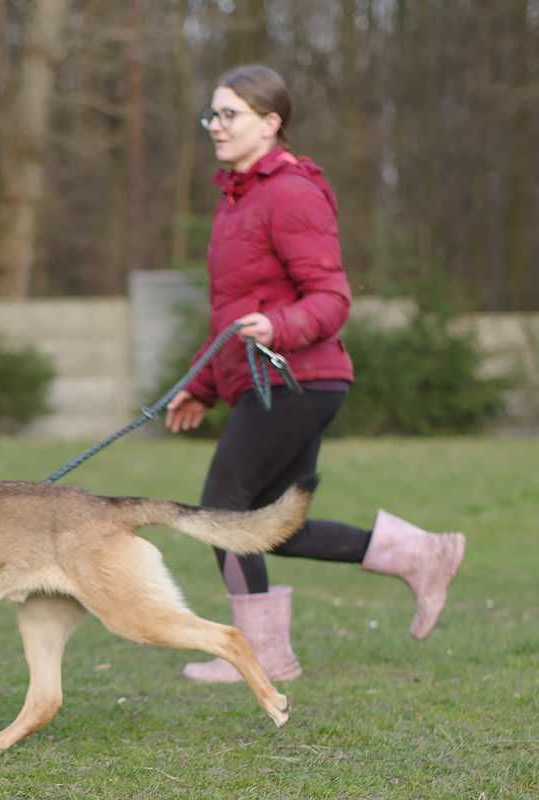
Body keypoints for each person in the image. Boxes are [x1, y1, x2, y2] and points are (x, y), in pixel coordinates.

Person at [165, 64, 466, 683]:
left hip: (297, 379)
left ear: (271, 124)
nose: (216, 126)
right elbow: (231, 311)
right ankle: (419, 554)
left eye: (230, 115)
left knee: (226, 511)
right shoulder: (238, 199)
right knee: (270, 523)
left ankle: (261, 656)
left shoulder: (291, 192)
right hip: (273, 381)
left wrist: (278, 327)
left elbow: (331, 299)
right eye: (212, 115)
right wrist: (201, 384)